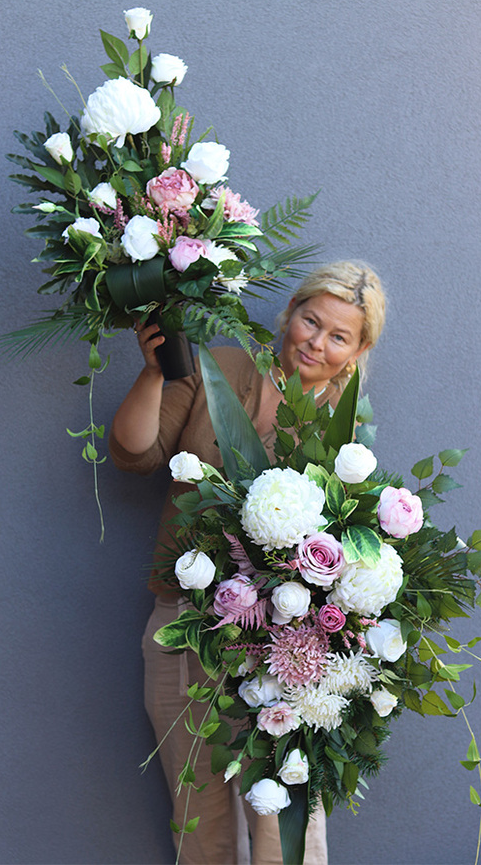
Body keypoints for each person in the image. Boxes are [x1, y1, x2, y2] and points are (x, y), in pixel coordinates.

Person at [109, 260, 386, 865]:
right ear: (290, 314)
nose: (316, 341)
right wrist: (155, 373)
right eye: (310, 321)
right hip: (186, 627)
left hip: (286, 647)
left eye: (338, 336)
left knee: (285, 822)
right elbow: (136, 452)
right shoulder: (225, 369)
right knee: (198, 816)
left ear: (357, 351)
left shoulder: (350, 432)